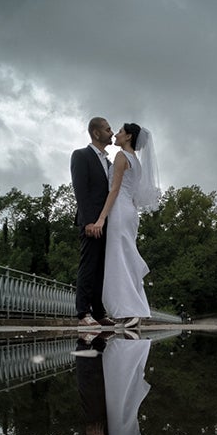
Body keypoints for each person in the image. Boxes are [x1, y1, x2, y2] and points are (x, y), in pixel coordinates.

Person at [89, 123, 160, 328]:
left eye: (120, 132)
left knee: (119, 259)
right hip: (130, 211)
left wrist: (102, 218)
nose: (116, 135)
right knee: (126, 257)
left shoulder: (121, 157)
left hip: (119, 210)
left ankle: (131, 310)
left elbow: (114, 190)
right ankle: (134, 309)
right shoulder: (136, 162)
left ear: (128, 137)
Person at [70, 117, 116, 329]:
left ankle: (98, 312)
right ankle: (83, 313)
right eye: (107, 129)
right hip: (91, 222)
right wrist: (89, 221)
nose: (112, 132)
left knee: (102, 269)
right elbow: (81, 190)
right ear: (96, 133)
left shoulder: (109, 162)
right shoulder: (81, 156)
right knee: (88, 266)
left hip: (107, 222)